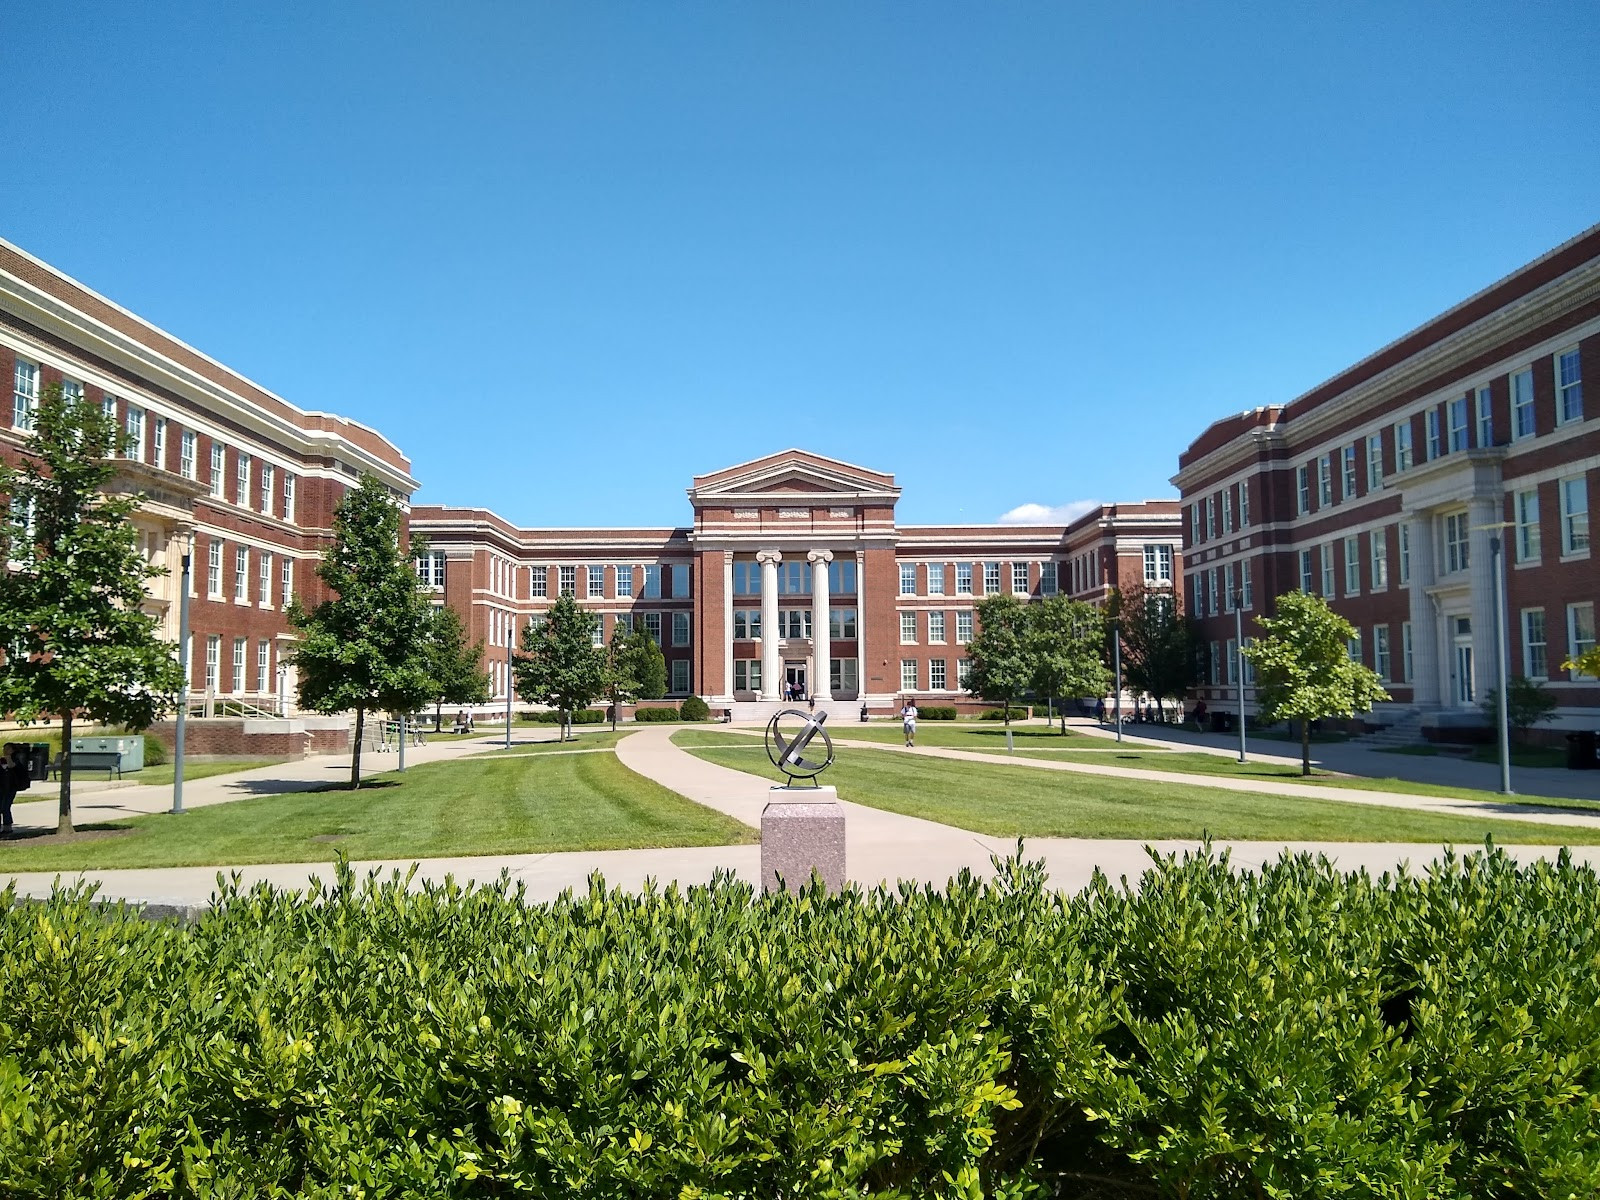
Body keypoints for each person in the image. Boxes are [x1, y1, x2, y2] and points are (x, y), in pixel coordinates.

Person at [0, 743, 16, 835]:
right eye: (4, 748)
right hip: (1, 787)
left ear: (12, 750)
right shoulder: (1, 760)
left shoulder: (16, 759)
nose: (5, 750)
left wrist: (8, 757)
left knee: (6, 807)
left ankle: (8, 827)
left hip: (10, 787)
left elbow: (12, 766)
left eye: (8, 749)